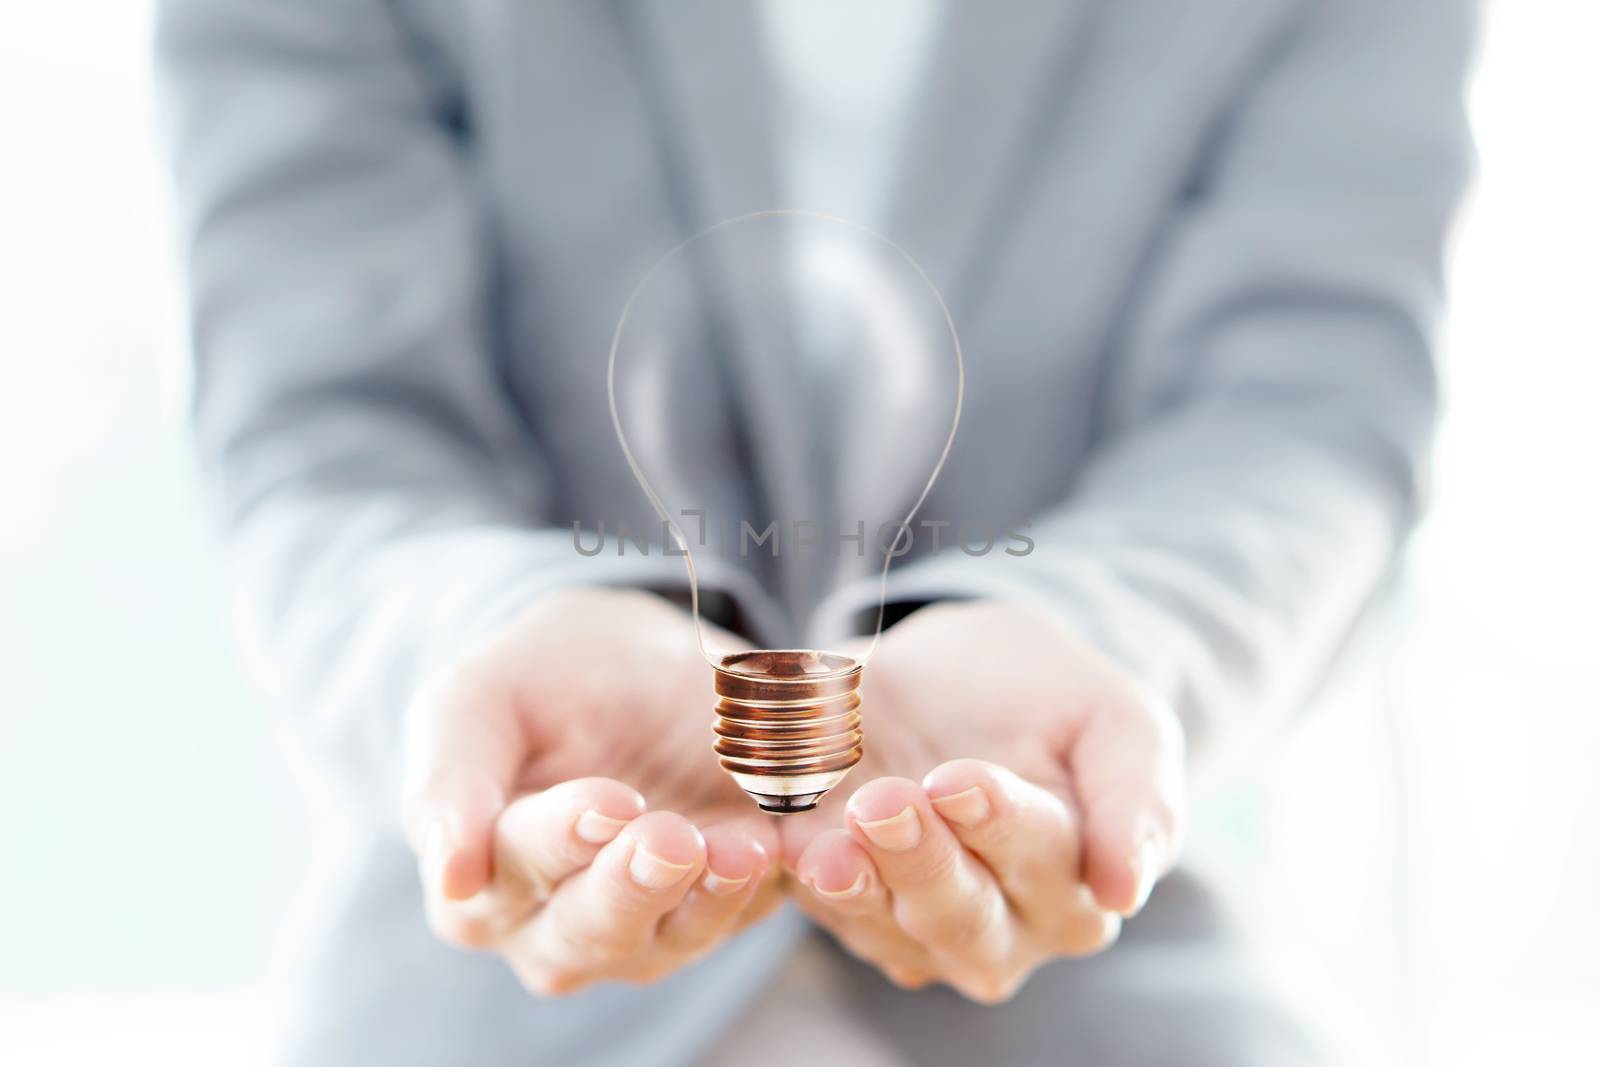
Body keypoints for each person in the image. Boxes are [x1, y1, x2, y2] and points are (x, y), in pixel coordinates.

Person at [156, 1, 1475, 1063]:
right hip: (480, 1005)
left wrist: (1093, 638)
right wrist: (495, 633)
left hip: (1108, 991)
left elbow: (1301, 410)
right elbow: (328, 424)